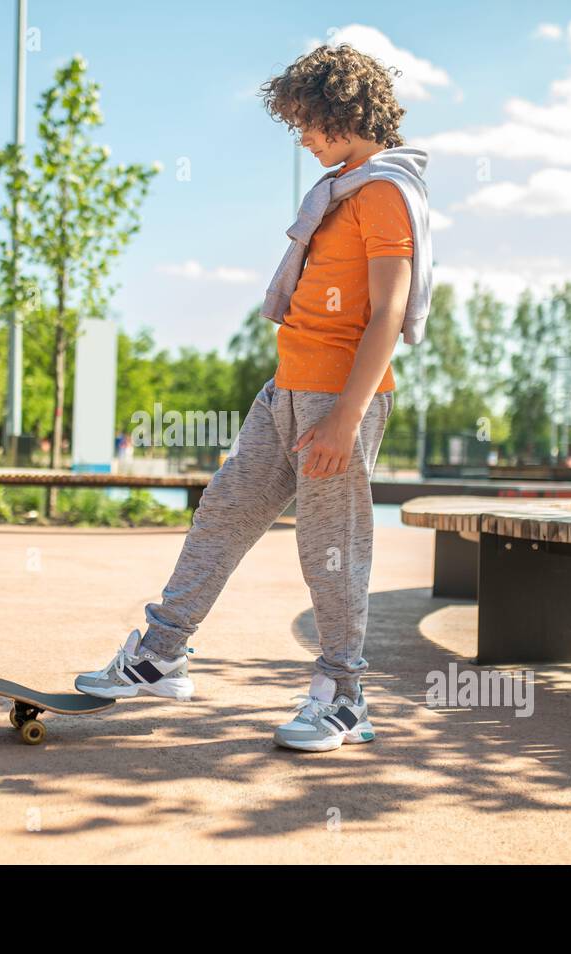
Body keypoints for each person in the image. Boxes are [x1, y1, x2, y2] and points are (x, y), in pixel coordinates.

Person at [75, 43, 432, 752]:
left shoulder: (386, 190)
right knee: (226, 511)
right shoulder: (343, 190)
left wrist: (345, 417)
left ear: (341, 112)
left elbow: (388, 312)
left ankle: (344, 697)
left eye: (307, 122)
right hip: (288, 389)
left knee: (331, 549)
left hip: (337, 398)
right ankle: (162, 654)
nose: (300, 137)